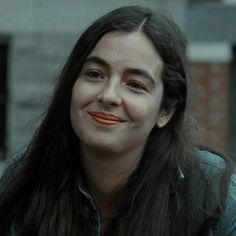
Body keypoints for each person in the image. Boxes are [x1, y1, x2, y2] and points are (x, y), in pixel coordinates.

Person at [0, 5, 235, 236]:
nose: (108, 95)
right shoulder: (25, 179)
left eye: (135, 85)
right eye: (95, 74)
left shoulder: (215, 198)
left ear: (166, 111)